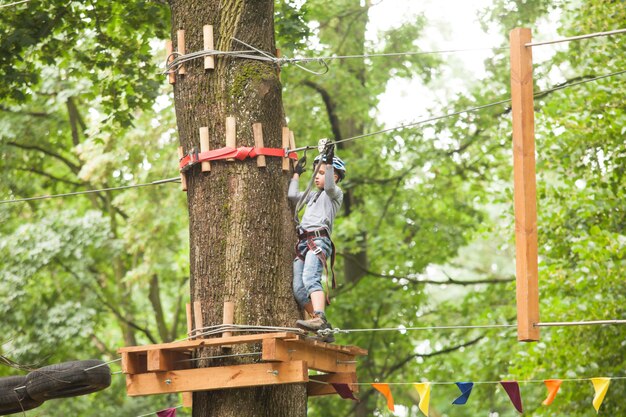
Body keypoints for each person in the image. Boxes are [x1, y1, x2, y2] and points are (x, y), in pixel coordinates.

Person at [288, 145, 345, 342]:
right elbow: (292, 196)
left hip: (318, 241)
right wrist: (296, 174)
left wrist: (328, 164)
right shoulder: (312, 196)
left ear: (335, 176)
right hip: (303, 243)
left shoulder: (335, 194)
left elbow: (328, 186)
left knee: (310, 278)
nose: (317, 176)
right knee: (299, 288)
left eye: (321, 173)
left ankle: (319, 317)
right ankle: (321, 327)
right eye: (316, 173)